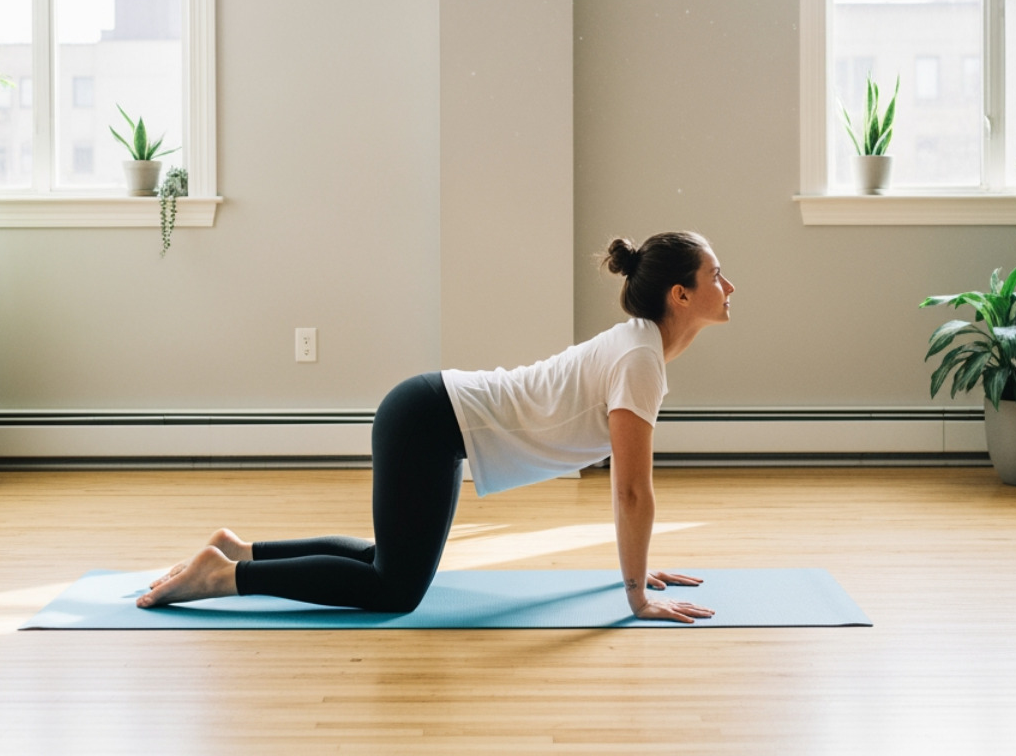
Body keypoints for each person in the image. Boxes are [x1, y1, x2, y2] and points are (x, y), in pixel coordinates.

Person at [138, 231, 734, 623]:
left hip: (434, 417)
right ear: (680, 295)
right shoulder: (639, 360)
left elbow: (630, 494)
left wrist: (636, 569)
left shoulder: (639, 349)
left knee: (389, 561)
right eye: (716, 276)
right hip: (430, 420)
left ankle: (241, 551)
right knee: (395, 589)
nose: (728, 287)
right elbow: (631, 491)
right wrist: (636, 595)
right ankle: (225, 578)